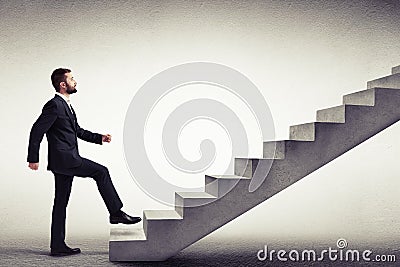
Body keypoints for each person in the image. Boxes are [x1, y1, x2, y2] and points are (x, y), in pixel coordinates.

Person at [27, 68, 141, 257]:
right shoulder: (54, 105)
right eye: (72, 79)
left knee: (60, 202)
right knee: (101, 172)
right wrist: (33, 158)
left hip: (63, 161)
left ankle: (57, 246)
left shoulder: (66, 105)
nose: (75, 81)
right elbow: (36, 130)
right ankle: (116, 212)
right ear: (63, 84)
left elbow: (77, 131)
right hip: (66, 160)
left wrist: (99, 138)